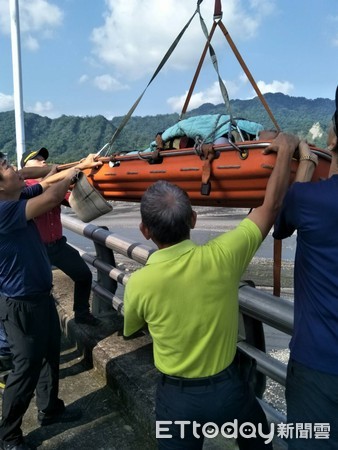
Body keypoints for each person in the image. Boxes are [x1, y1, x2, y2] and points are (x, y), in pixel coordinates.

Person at [123, 133, 300, 449]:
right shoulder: (222, 256)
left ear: (144, 231)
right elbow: (270, 207)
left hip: (175, 399)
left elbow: (133, 327)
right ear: (193, 219)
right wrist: (285, 150)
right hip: (227, 391)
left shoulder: (139, 283)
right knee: (259, 443)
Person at [0, 152, 101, 450]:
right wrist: (78, 171)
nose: (15, 169)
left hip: (40, 297)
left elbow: (46, 183)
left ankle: (50, 408)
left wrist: (75, 164)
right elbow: (54, 194)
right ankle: (8, 435)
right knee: (25, 367)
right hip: (20, 304)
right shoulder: (3, 211)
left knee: (49, 353)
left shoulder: (16, 198)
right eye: (6, 167)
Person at [273, 93, 338, 449]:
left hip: (319, 368)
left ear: (334, 139)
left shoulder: (310, 201)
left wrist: (298, 159)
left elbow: (280, 222)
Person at [21, 148, 99, 326]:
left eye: (44, 160)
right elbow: (46, 193)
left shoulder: (56, 185)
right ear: (26, 167)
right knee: (40, 289)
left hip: (57, 245)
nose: (43, 162)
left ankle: (81, 312)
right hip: (36, 249)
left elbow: (71, 199)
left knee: (84, 275)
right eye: (38, 160)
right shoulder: (25, 189)